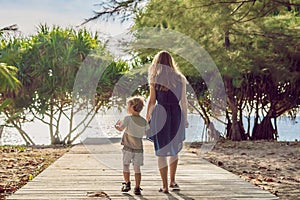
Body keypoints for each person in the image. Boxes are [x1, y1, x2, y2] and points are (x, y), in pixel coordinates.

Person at [146, 50, 189, 193]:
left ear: (157, 63)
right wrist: (186, 119)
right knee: (174, 149)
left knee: (161, 151)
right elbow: (183, 101)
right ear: (171, 62)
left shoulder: (154, 79)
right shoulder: (180, 78)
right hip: (176, 114)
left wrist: (147, 119)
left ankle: (164, 186)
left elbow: (152, 101)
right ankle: (173, 181)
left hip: (160, 115)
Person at [115, 96, 149, 195]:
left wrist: (117, 126)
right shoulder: (143, 121)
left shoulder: (127, 119)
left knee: (126, 165)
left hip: (128, 147)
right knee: (137, 168)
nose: (127, 107)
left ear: (132, 107)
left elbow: (121, 128)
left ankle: (127, 183)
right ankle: (137, 187)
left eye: (128, 105)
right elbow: (146, 133)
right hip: (139, 149)